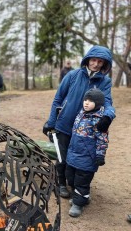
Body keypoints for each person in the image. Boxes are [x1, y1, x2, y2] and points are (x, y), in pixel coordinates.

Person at [42, 45, 115, 199]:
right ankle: (61, 183)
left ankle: (76, 184)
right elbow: (58, 99)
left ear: (104, 64)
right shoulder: (72, 75)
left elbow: (107, 102)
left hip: (86, 128)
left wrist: (108, 116)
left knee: (78, 157)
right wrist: (51, 122)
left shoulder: (105, 82)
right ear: (88, 59)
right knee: (62, 157)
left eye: (100, 62)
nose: (95, 64)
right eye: (94, 60)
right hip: (65, 123)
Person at [65, 88, 109, 217]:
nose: (86, 103)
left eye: (90, 101)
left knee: (82, 180)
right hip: (73, 153)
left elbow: (103, 139)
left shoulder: (99, 120)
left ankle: (78, 204)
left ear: (98, 103)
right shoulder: (81, 113)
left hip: (87, 157)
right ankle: (82, 197)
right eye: (85, 100)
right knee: (71, 177)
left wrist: (100, 155)